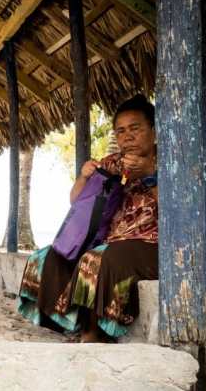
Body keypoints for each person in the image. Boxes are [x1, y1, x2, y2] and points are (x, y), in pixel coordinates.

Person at [17, 94, 159, 343]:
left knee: (97, 259)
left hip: (152, 245)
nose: (127, 136)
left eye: (135, 128)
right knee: (48, 256)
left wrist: (148, 174)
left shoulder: (170, 161)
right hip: (111, 243)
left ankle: (93, 333)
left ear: (154, 131)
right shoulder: (112, 163)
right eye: (121, 131)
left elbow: (183, 210)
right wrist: (84, 177)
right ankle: (67, 322)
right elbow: (76, 199)